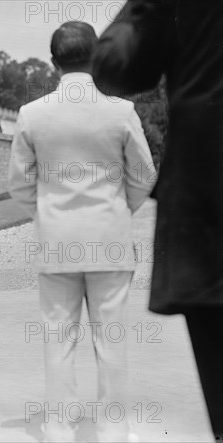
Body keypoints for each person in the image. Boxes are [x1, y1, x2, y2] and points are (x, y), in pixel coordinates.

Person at [8, 22, 154, 442]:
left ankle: (58, 428)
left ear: (54, 62)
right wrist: (120, 208)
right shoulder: (120, 111)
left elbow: (19, 182)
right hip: (109, 239)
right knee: (111, 342)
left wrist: (45, 212)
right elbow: (143, 175)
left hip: (57, 241)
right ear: (95, 58)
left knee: (57, 339)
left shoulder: (31, 114)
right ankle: (113, 430)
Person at [92, 2, 223, 440]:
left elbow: (119, 64)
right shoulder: (123, 120)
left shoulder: (34, 116)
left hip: (210, 196)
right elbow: (140, 170)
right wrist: (131, 201)